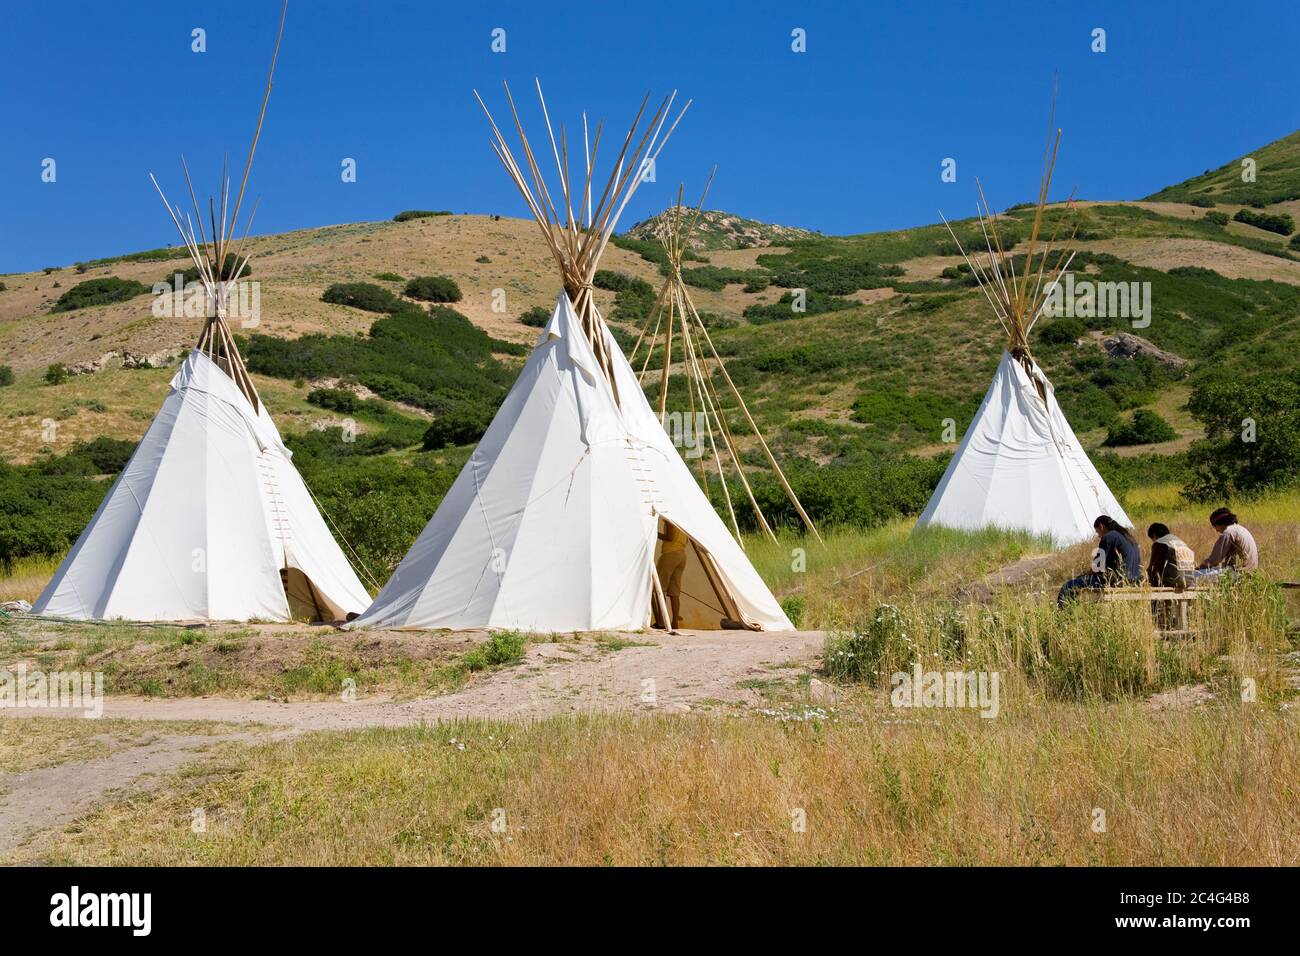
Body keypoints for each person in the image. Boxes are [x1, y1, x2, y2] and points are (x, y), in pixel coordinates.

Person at [1057, 515, 1143, 606]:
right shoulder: (1128, 537)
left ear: (1101, 526)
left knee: (1069, 586)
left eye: (1097, 532)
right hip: (1135, 581)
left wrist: (1084, 575)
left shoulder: (1108, 537)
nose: (1098, 536)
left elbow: (1097, 567)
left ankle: (1064, 612)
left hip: (1117, 581)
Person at [1189, 508, 1258, 586]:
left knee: (1190, 577)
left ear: (1219, 523)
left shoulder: (1228, 533)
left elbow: (1215, 560)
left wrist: (1198, 568)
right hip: (1249, 573)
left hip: (1237, 574)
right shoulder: (1241, 529)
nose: (1216, 530)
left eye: (1214, 526)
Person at [656, 522, 688, 629]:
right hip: (681, 554)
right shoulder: (682, 521)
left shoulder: (670, 520)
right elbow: (687, 540)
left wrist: (655, 534)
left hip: (670, 554)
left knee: (659, 587)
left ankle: (661, 621)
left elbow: (670, 537)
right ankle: (674, 622)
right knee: (674, 591)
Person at [1146, 522, 1196, 589]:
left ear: (1154, 535)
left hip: (1171, 583)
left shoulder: (1161, 543)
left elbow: (1152, 568)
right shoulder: (1181, 543)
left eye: (1152, 539)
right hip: (1189, 582)